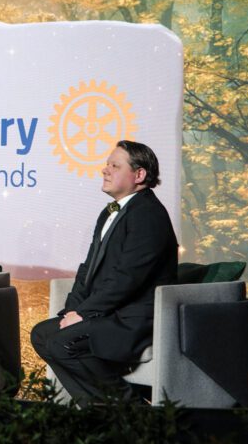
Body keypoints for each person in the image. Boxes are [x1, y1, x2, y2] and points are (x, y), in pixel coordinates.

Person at [31, 140, 177, 405]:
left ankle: (130, 409)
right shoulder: (110, 212)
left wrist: (85, 314)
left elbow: (127, 278)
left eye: (114, 165)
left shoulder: (148, 214)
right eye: (107, 164)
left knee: (63, 342)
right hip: (109, 313)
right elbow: (88, 269)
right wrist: (71, 310)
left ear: (139, 174)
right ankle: (97, 410)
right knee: (42, 334)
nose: (104, 170)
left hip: (132, 319)